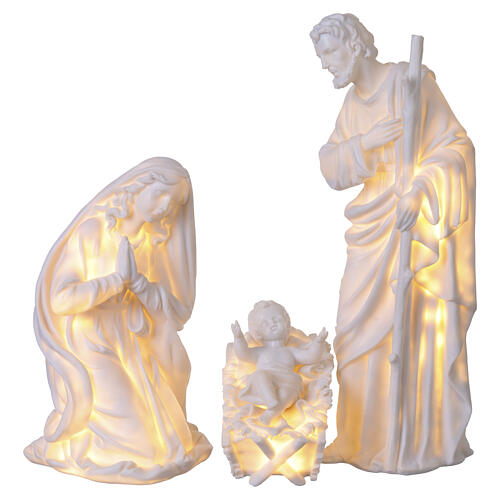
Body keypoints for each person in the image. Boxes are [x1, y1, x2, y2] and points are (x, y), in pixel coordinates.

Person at [310, 14, 476, 474]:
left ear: (355, 46)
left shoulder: (410, 82)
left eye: (329, 52)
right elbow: (330, 165)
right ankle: (358, 437)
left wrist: (421, 189)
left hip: (411, 228)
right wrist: (366, 142)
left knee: (413, 327)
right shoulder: (352, 104)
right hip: (372, 228)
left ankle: (410, 439)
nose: (324, 64)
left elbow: (458, 148)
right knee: (353, 331)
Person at [24, 157, 212, 484]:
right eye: (161, 194)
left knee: (167, 440)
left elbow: (167, 308)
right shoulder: (92, 231)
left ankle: (103, 433)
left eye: (173, 204)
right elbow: (61, 299)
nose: (165, 208)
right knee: (146, 448)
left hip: (131, 344)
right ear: (137, 188)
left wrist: (138, 284)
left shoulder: (149, 243)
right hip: (90, 345)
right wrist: (115, 282)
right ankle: (83, 438)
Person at [232, 300, 327, 425]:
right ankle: (271, 401)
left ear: (286, 323)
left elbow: (310, 357)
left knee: (288, 392)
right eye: (265, 323)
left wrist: (319, 342)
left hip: (288, 381)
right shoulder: (260, 352)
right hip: (266, 379)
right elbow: (243, 354)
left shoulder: (290, 351)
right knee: (259, 375)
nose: (272, 323)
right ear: (258, 332)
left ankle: (271, 413)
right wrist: (238, 338)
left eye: (276, 319)